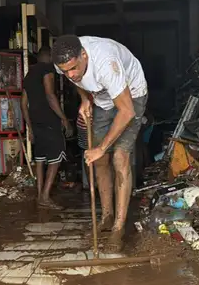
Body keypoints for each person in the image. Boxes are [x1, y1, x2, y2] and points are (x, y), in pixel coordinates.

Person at [52, 35, 148, 252]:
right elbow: (75, 79)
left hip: (131, 96)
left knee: (119, 157)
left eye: (74, 68)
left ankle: (118, 228)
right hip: (102, 99)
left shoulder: (106, 63)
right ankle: (106, 216)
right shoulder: (63, 61)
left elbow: (127, 111)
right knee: (100, 160)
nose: (71, 74)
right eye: (65, 71)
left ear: (84, 55)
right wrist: (85, 99)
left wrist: (102, 147)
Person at [21, 47, 73, 209]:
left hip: (36, 122)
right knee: (56, 158)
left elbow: (23, 104)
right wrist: (64, 119)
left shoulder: (29, 75)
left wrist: (30, 128)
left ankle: (40, 196)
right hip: (49, 120)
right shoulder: (47, 69)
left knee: (40, 159)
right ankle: (45, 197)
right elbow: (50, 95)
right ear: (50, 57)